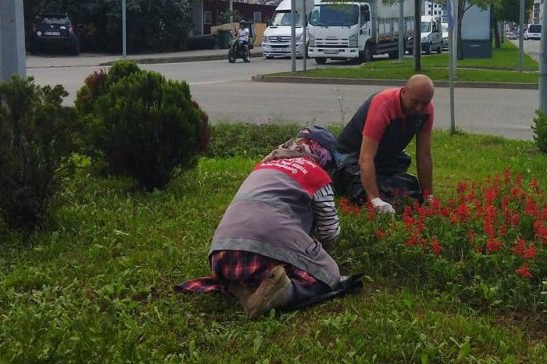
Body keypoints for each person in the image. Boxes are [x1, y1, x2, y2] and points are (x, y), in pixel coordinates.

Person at [177, 127, 351, 318]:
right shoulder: (317, 176)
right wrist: (316, 252)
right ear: (323, 155)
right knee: (331, 275)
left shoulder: (266, 164)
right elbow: (329, 232)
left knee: (273, 256)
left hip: (221, 255)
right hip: (263, 250)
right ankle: (284, 293)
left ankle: (239, 285)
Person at [334, 74, 435, 213]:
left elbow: (424, 156)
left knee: (409, 189)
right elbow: (366, 157)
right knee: (360, 191)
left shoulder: (427, 110)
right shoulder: (383, 104)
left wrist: (428, 196)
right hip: (352, 156)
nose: (419, 108)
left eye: (424, 103)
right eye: (415, 101)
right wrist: (376, 201)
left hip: (383, 159)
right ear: (403, 92)